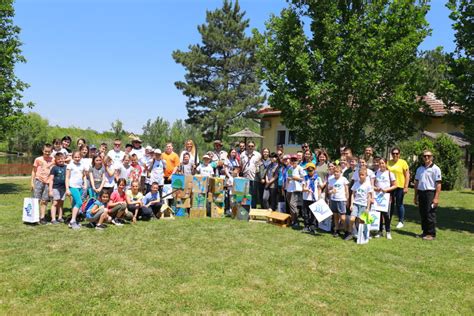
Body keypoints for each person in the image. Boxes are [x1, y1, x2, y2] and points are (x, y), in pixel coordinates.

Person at [414, 150, 442, 241]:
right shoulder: (419, 169)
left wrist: (436, 198)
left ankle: (431, 233)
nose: (426, 158)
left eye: (428, 156)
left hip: (430, 193)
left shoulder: (436, 169)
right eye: (425, 156)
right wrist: (415, 196)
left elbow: (438, 184)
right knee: (423, 213)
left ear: (432, 157)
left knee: (430, 213)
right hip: (421, 192)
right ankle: (425, 232)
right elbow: (417, 182)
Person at [347, 167, 373, 240]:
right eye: (360, 175)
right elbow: (352, 194)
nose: (361, 176)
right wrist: (351, 204)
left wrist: (368, 208)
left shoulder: (368, 185)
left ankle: (361, 235)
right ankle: (350, 233)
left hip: (363, 205)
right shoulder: (356, 183)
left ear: (366, 175)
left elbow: (369, 197)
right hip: (355, 204)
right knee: (352, 219)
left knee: (361, 221)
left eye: (362, 175)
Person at [374, 158, 397, 239]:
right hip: (377, 197)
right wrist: (376, 188)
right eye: (380, 163)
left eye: (383, 163)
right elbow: (372, 184)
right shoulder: (376, 173)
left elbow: (395, 185)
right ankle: (379, 231)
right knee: (378, 214)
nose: (381, 165)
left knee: (386, 215)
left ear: (386, 164)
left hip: (386, 197)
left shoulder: (390, 173)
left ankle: (388, 231)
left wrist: (386, 190)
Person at [31, 143, 54, 225]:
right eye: (46, 151)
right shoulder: (38, 159)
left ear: (51, 151)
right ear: (43, 150)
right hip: (38, 181)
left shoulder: (53, 159)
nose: (47, 153)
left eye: (49, 152)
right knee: (36, 200)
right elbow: (33, 171)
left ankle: (42, 217)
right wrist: (32, 183)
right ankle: (34, 217)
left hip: (48, 182)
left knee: (44, 200)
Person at [387, 147, 410, 228]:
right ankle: (388, 220)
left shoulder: (403, 162)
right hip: (390, 187)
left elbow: (407, 175)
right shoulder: (388, 162)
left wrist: (406, 186)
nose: (395, 155)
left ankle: (401, 221)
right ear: (391, 154)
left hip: (400, 186)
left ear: (399, 154)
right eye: (393, 153)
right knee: (390, 204)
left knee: (399, 204)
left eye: (397, 153)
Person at [66, 151, 87, 230]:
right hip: (72, 186)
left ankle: (73, 221)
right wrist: (67, 188)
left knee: (74, 204)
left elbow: (84, 175)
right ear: (72, 157)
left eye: (79, 157)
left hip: (80, 187)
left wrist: (85, 184)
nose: (77, 159)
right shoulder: (70, 166)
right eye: (75, 157)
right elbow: (67, 178)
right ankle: (72, 221)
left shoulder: (82, 165)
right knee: (79, 203)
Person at [328, 165, 349, 237]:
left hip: (341, 200)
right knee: (335, 216)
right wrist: (331, 191)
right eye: (334, 172)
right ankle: (336, 230)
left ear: (340, 172)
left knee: (342, 217)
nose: (336, 173)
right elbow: (329, 190)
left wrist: (347, 199)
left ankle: (346, 230)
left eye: (337, 172)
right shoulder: (331, 180)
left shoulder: (344, 179)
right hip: (333, 200)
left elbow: (346, 190)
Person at [302, 162, 322, 234]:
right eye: (308, 170)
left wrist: (319, 197)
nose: (309, 172)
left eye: (310, 170)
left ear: (314, 170)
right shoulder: (305, 177)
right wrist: (306, 189)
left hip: (314, 198)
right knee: (305, 213)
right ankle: (306, 226)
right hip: (306, 197)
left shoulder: (318, 178)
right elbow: (303, 188)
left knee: (313, 213)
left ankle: (313, 227)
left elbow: (320, 188)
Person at [240, 141, 262, 209]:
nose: (250, 147)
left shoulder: (258, 155)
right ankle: (246, 208)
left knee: (254, 194)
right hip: (245, 177)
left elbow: (260, 166)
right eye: (249, 146)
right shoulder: (243, 154)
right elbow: (241, 164)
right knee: (245, 193)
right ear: (246, 146)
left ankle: (253, 208)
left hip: (254, 177)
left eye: (252, 146)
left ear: (254, 147)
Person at [286, 155, 305, 227]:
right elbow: (289, 177)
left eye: (295, 160)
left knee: (293, 204)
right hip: (289, 189)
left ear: (297, 161)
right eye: (292, 160)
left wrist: (296, 178)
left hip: (296, 189)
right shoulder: (290, 168)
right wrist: (286, 185)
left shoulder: (300, 168)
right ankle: (293, 220)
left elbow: (304, 178)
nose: (293, 162)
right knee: (291, 205)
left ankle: (296, 221)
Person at [48, 152, 67, 224]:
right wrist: (50, 190)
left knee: (61, 203)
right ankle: (53, 219)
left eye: (62, 159)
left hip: (63, 188)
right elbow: (51, 179)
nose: (60, 160)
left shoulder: (67, 167)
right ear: (55, 160)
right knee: (55, 203)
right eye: (58, 159)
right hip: (55, 188)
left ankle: (60, 217)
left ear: (64, 159)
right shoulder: (54, 168)